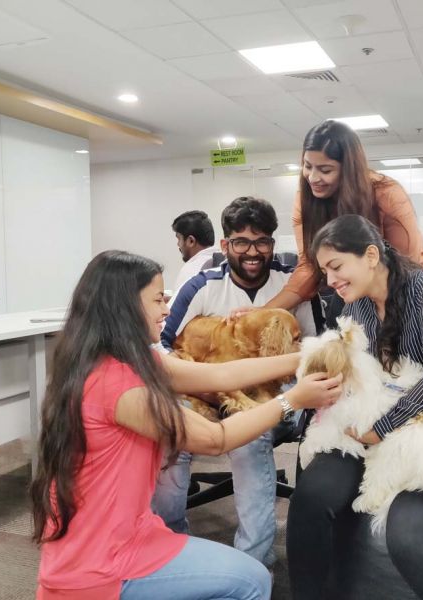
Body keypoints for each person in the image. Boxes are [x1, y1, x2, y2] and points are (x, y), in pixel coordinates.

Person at [31, 250, 342, 600]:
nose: (167, 309)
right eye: (156, 300)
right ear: (123, 307)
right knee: (252, 580)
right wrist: (293, 400)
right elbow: (215, 438)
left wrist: (310, 356)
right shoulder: (118, 385)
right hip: (100, 560)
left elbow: (220, 373)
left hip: (123, 532)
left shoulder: (123, 358)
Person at [286, 214, 423, 599]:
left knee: (409, 538)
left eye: (336, 266)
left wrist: (383, 427)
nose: (331, 280)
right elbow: (357, 376)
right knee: (310, 498)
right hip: (371, 417)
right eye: (325, 271)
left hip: (422, 419)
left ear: (371, 255)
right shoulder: (353, 307)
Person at [155, 196, 317, 566]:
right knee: (172, 430)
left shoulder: (292, 283)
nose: (253, 252)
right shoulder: (201, 286)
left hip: (272, 393)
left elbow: (312, 351)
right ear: (225, 244)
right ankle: (166, 549)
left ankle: (254, 565)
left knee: (249, 438)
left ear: (273, 244)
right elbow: (160, 348)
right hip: (202, 390)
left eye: (262, 241)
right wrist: (201, 384)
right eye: (241, 242)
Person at [258, 120, 423, 320]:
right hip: (352, 292)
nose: (313, 178)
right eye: (308, 166)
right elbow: (310, 265)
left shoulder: (386, 195)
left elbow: (404, 265)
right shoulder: (305, 200)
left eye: (325, 170)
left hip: (404, 289)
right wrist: (264, 312)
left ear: (348, 169)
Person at [171, 210, 217, 293]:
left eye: (179, 239)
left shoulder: (190, 270)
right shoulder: (225, 263)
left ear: (191, 241)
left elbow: (181, 306)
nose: (178, 244)